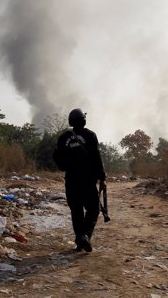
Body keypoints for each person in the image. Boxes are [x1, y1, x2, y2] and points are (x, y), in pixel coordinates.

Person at [53, 108, 106, 252]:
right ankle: (85, 236)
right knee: (93, 209)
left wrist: (64, 166)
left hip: (71, 181)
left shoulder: (64, 138)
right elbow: (96, 157)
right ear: (84, 120)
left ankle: (80, 240)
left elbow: (56, 156)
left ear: (70, 121)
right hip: (88, 180)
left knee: (76, 211)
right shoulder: (90, 135)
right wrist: (102, 177)